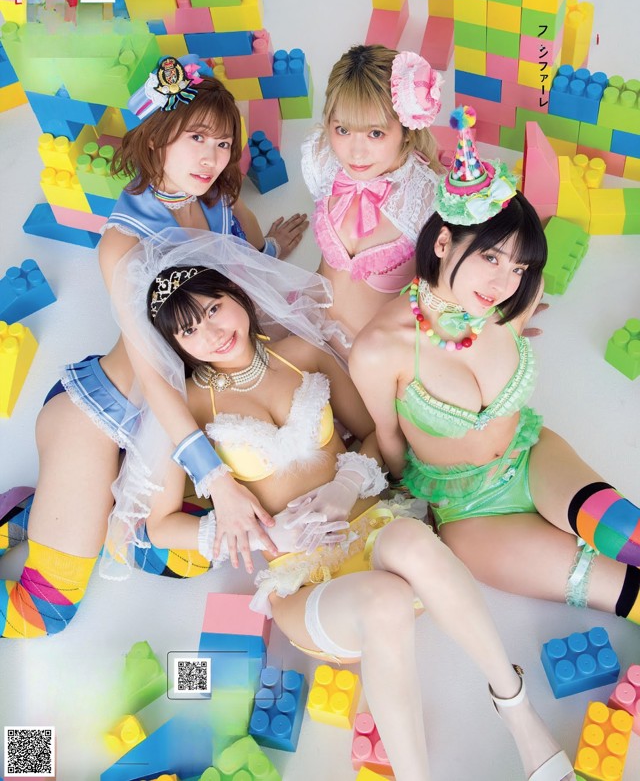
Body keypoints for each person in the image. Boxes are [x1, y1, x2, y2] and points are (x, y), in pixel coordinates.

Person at [103, 230, 574, 781]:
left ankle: (519, 714)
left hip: (374, 528)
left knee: (410, 542)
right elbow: (157, 527)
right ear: (175, 347)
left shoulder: (302, 353)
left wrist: (346, 484)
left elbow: (376, 431)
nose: (211, 332)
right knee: (383, 602)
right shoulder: (187, 410)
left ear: (236, 293)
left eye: (212, 308)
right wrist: (265, 535)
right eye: (188, 330)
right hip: (307, 583)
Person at [0, 58, 307, 638]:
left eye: (222, 142)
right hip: (109, 417)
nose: (212, 157)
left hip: (181, 420)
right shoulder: (124, 245)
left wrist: (266, 253)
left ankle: (37, 509)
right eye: (196, 138)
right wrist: (216, 480)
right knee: (43, 617)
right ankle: (51, 506)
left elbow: (231, 246)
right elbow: (157, 370)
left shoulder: (214, 193)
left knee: (191, 556)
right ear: (156, 133)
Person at [351, 105, 640, 631]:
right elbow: (389, 436)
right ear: (443, 243)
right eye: (491, 258)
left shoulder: (511, 302)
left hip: (532, 459)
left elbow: (518, 299)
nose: (506, 282)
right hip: (474, 518)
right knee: (627, 591)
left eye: (519, 266)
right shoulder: (380, 349)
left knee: (630, 535)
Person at [302, 44, 443, 344]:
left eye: (375, 133)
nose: (355, 152)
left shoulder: (427, 200)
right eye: (342, 130)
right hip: (309, 321)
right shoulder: (322, 159)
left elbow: (451, 280)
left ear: (407, 130)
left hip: (373, 354)